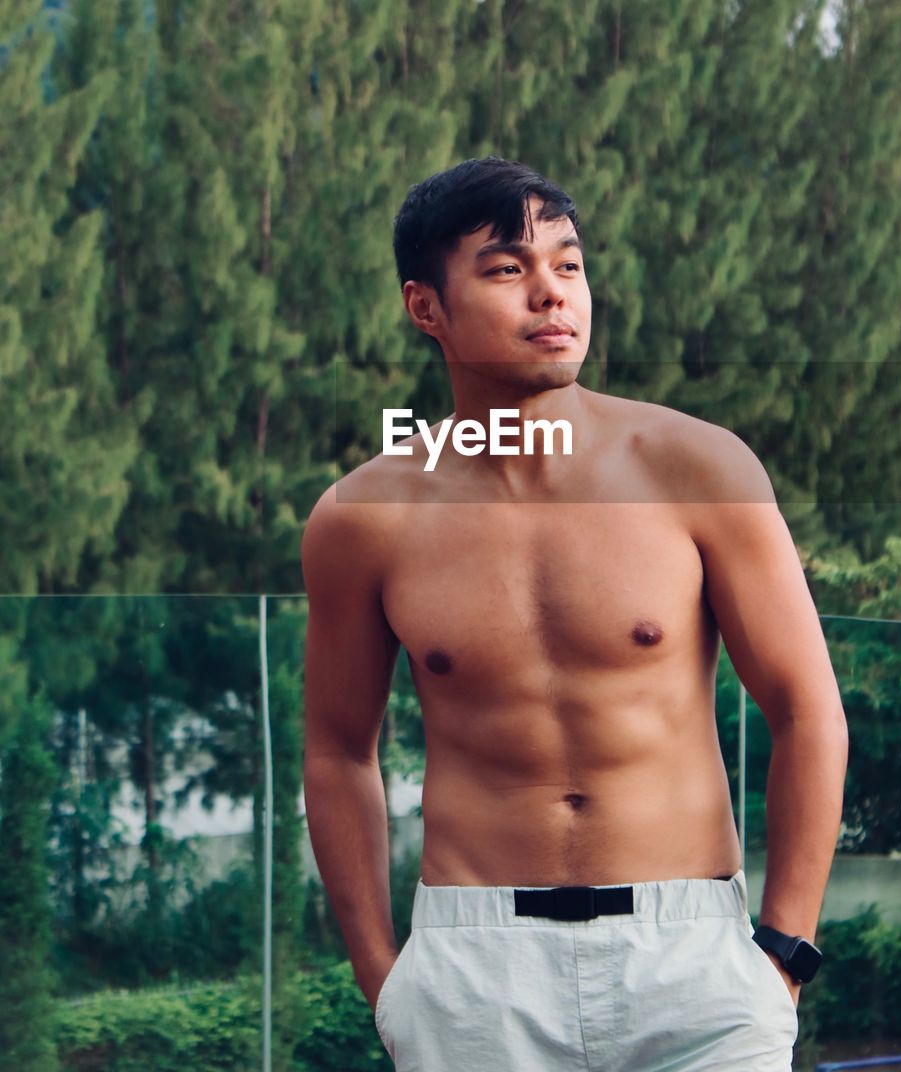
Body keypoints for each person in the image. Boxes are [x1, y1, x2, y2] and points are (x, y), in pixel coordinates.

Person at [301, 156, 849, 1071]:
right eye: (509, 269)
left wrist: (783, 955)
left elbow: (807, 710)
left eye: (568, 264)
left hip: (695, 966)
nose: (553, 296)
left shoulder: (698, 469)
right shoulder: (366, 519)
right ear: (425, 307)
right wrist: (385, 977)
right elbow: (337, 751)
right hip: (476, 974)